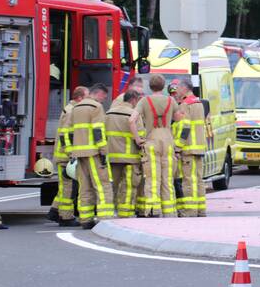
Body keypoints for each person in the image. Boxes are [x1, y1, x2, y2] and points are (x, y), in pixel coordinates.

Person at [67, 84, 114, 229]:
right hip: (94, 153)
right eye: (104, 97)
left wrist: (71, 151)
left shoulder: (76, 108)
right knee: (102, 185)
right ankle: (105, 218)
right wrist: (103, 150)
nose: (103, 100)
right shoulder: (96, 107)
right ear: (99, 94)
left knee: (84, 187)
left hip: (79, 154)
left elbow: (68, 132)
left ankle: (85, 219)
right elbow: (98, 130)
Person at [133, 75, 178, 217]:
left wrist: (137, 139)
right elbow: (179, 119)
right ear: (164, 86)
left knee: (153, 178)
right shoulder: (171, 100)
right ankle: (170, 212)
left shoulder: (144, 101)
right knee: (167, 179)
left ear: (150, 86)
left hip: (151, 140)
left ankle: (153, 210)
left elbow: (131, 120)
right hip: (168, 141)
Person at [46, 85, 87, 226]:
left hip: (63, 155)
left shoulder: (71, 109)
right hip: (65, 157)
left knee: (65, 187)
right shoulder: (72, 112)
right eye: (86, 98)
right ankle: (66, 217)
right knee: (69, 188)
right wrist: (71, 154)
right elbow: (66, 135)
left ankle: (54, 211)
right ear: (80, 98)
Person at [171, 79, 208, 217]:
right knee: (198, 180)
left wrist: (177, 146)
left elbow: (184, 127)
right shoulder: (198, 103)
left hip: (189, 149)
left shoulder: (185, 105)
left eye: (178, 88)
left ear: (184, 88)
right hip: (199, 148)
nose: (176, 91)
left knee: (188, 181)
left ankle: (190, 211)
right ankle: (201, 210)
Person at [105, 88, 143, 218]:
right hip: (130, 158)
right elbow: (141, 136)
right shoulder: (133, 114)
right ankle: (125, 213)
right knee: (129, 186)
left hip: (112, 156)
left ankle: (108, 212)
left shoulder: (109, 113)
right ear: (133, 99)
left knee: (111, 186)